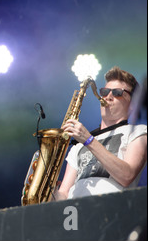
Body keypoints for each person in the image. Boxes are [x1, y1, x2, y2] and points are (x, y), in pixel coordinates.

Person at [55, 66, 147, 200]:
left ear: (132, 103)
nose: (108, 96)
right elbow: (64, 193)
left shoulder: (140, 132)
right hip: (73, 217)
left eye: (117, 93)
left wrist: (88, 140)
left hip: (111, 215)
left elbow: (127, 175)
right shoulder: (78, 145)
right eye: (104, 91)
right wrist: (49, 189)